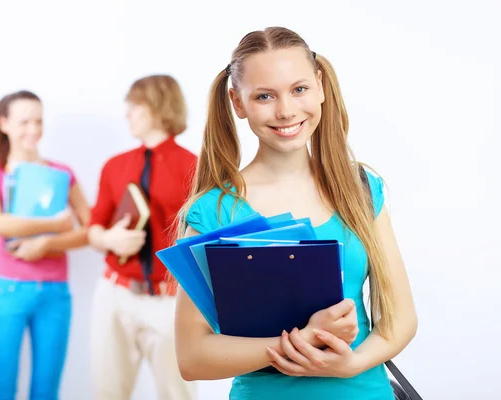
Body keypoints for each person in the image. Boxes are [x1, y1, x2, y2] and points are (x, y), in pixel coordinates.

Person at [174, 27, 418, 399]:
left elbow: (401, 320)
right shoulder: (214, 211)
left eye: (299, 89)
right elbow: (192, 357)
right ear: (237, 103)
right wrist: (300, 341)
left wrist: (349, 364)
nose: (286, 110)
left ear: (320, 86)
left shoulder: (361, 189)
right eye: (264, 96)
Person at [88, 75, 197, 400]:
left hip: (170, 302)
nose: (127, 114)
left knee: (178, 394)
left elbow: (205, 239)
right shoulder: (114, 166)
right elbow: (93, 228)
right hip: (114, 295)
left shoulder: (195, 166)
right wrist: (108, 239)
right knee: (108, 392)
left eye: (135, 105)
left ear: (158, 107)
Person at [0, 91, 90, 400]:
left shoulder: (62, 173)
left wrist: (45, 245)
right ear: (4, 124)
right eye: (24, 121)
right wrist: (55, 225)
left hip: (54, 295)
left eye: (38, 121)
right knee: (0, 390)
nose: (33, 129)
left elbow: (90, 229)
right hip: (4, 292)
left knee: (46, 391)